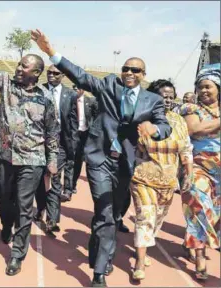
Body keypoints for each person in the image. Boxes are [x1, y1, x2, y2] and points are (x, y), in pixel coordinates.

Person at [31, 29, 172, 286]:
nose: (129, 73)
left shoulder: (152, 100)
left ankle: (98, 249)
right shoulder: (108, 84)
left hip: (126, 163)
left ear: (143, 75)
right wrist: (51, 52)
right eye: (126, 68)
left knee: (114, 214)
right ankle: (98, 273)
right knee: (105, 212)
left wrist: (155, 129)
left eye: (136, 70)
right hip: (100, 159)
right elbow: (81, 76)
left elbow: (165, 126)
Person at [0, 15, 59, 276]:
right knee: (5, 201)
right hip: (4, 157)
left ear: (37, 73)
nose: (19, 69)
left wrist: (52, 161)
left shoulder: (46, 100)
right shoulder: (6, 84)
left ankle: (17, 254)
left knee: (25, 205)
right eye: (19, 64)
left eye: (25, 66)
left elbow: (52, 132)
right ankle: (6, 224)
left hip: (33, 160)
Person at [130, 79, 193, 280]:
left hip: (168, 181)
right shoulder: (142, 118)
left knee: (157, 220)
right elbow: (132, 147)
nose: (167, 100)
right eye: (162, 96)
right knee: (146, 217)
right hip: (143, 178)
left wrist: (188, 172)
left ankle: (142, 245)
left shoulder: (178, 120)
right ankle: (140, 261)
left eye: (170, 96)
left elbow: (185, 148)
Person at [180, 64, 220, 280]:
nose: (203, 91)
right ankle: (200, 260)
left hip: (220, 176)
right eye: (200, 87)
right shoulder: (191, 109)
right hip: (197, 168)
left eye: (208, 87)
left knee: (213, 215)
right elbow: (194, 129)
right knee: (199, 211)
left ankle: (190, 240)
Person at [34, 64, 78, 234]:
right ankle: (40, 208)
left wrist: (72, 147)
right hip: (38, 142)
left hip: (60, 144)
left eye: (55, 73)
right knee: (39, 179)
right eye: (49, 72)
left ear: (63, 75)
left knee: (53, 178)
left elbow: (73, 123)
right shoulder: (39, 90)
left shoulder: (71, 95)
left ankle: (52, 219)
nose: (51, 75)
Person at [72, 86, 98, 198]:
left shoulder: (91, 101)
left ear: (83, 89)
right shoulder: (69, 100)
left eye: (78, 87)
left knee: (78, 161)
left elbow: (96, 116)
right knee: (69, 160)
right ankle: (67, 185)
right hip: (73, 133)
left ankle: (72, 184)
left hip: (86, 135)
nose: (76, 89)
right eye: (74, 87)